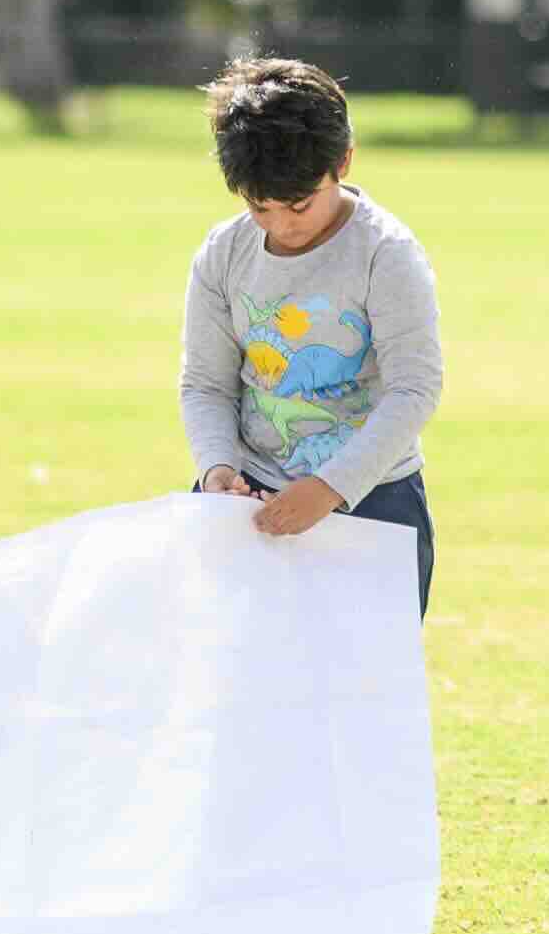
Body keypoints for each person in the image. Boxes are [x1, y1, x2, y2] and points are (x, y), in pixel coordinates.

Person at [182, 55, 447, 606]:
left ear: (343, 160)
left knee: (364, 665)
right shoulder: (224, 253)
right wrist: (217, 469)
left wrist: (329, 489)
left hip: (374, 501)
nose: (282, 225)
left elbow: (414, 387)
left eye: (299, 205)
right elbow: (207, 384)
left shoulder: (385, 254)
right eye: (260, 207)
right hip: (246, 502)